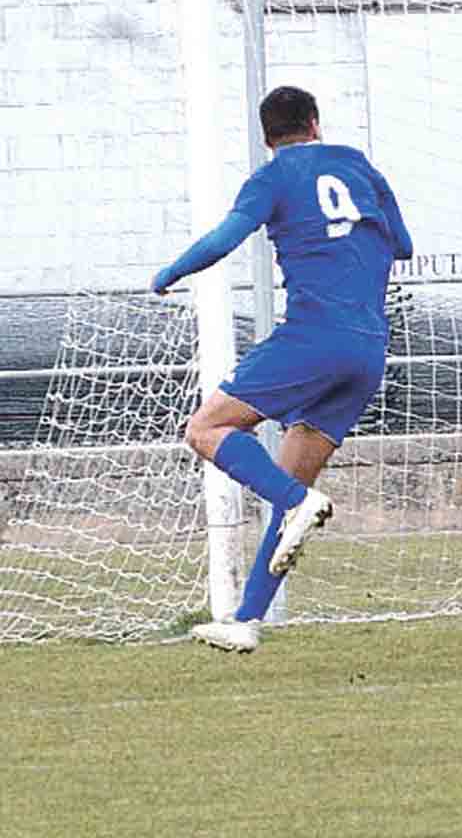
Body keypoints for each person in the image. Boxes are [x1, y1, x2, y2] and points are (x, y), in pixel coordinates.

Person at [153, 86, 413, 654]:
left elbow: (226, 237)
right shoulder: (358, 165)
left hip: (313, 336)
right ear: (315, 123)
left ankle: (299, 504)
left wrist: (171, 273)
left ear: (267, 137)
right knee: (289, 487)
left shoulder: (272, 178)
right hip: (370, 347)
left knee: (206, 429)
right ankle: (246, 619)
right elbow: (404, 245)